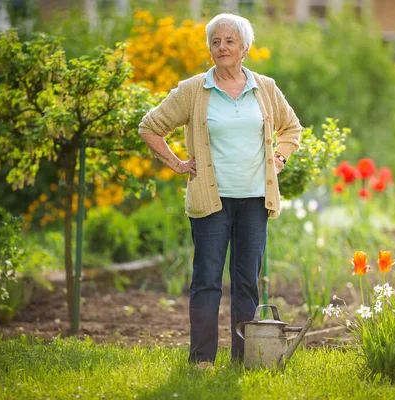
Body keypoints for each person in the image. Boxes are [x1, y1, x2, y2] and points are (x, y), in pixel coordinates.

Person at [138, 13, 302, 368]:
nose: (221, 47)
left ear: (244, 47)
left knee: (247, 282)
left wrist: (279, 158)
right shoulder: (194, 89)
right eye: (215, 41)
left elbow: (292, 128)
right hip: (211, 200)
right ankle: (202, 359)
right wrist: (178, 164)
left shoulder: (265, 87)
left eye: (229, 41)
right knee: (207, 280)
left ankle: (244, 357)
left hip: (255, 200)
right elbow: (150, 127)